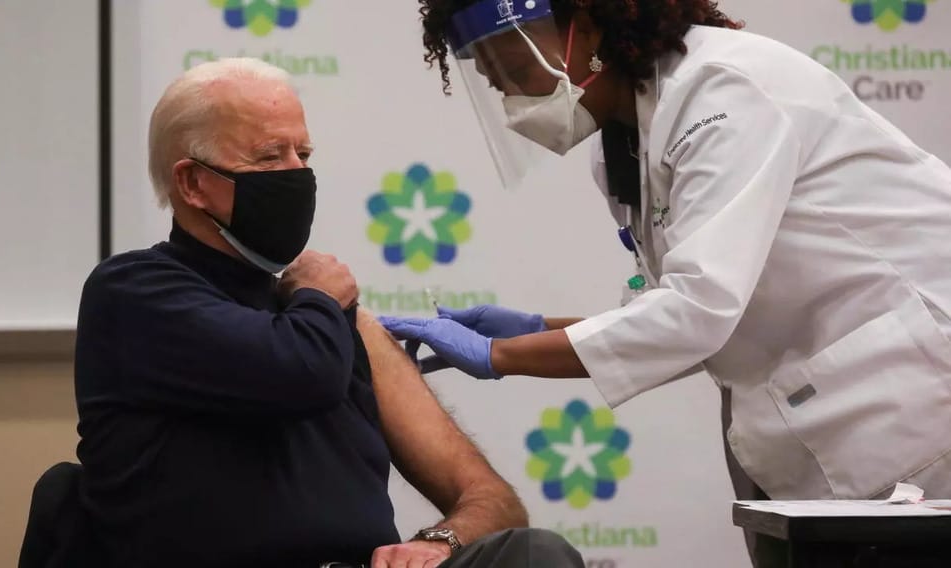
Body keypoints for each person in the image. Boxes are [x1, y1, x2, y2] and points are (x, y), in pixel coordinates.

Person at [380, 0, 951, 564]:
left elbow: (698, 311)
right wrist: (536, 328)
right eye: (495, 82)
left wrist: (502, 353)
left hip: (910, 408)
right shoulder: (627, 140)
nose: (511, 101)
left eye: (516, 71)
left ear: (587, 30)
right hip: (823, 430)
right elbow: (676, 309)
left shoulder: (722, 92)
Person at [73, 57, 585, 568]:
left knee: (535, 555)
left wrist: (437, 543)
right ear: (193, 184)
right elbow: (302, 372)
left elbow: (491, 501)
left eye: (305, 153)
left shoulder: (331, 318)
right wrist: (319, 294)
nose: (299, 175)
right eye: (271, 157)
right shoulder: (135, 293)